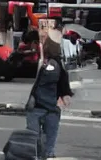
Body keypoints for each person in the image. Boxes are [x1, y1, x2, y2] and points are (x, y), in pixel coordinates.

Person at [25, 30, 72, 159]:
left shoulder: (47, 63)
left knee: (34, 142)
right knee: (49, 144)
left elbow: (39, 83)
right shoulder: (58, 65)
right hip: (51, 108)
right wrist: (64, 96)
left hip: (37, 106)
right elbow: (63, 86)